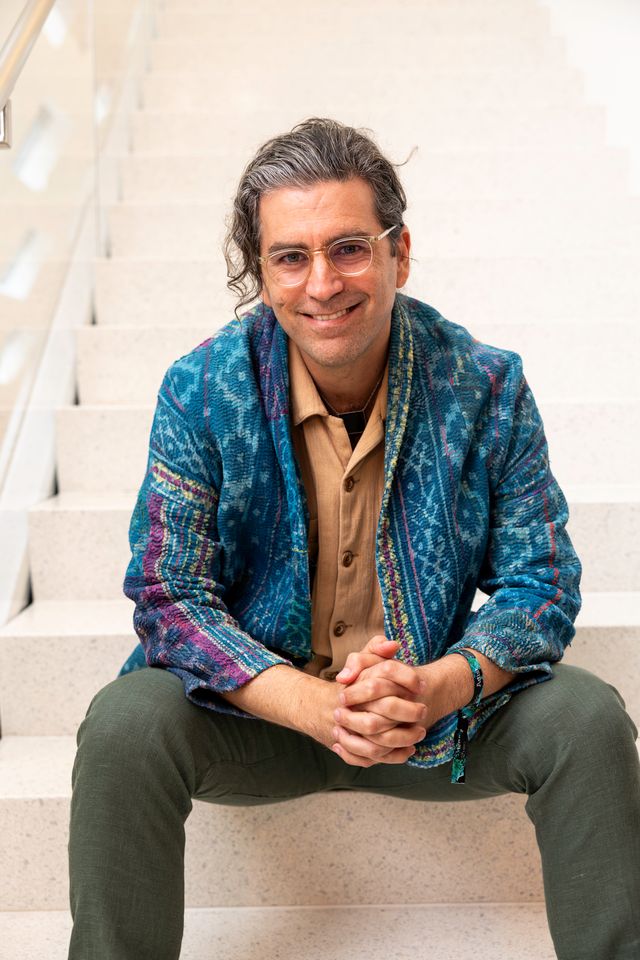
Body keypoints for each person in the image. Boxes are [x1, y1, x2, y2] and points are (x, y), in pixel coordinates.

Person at [68, 118, 640, 960]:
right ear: (261, 273)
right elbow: (169, 596)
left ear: (398, 253)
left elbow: (542, 584)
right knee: (124, 724)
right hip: (262, 716)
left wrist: (437, 687)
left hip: (429, 716)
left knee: (587, 718)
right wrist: (316, 706)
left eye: (348, 249)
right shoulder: (202, 389)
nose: (321, 283)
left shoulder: (485, 385)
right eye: (290, 257)